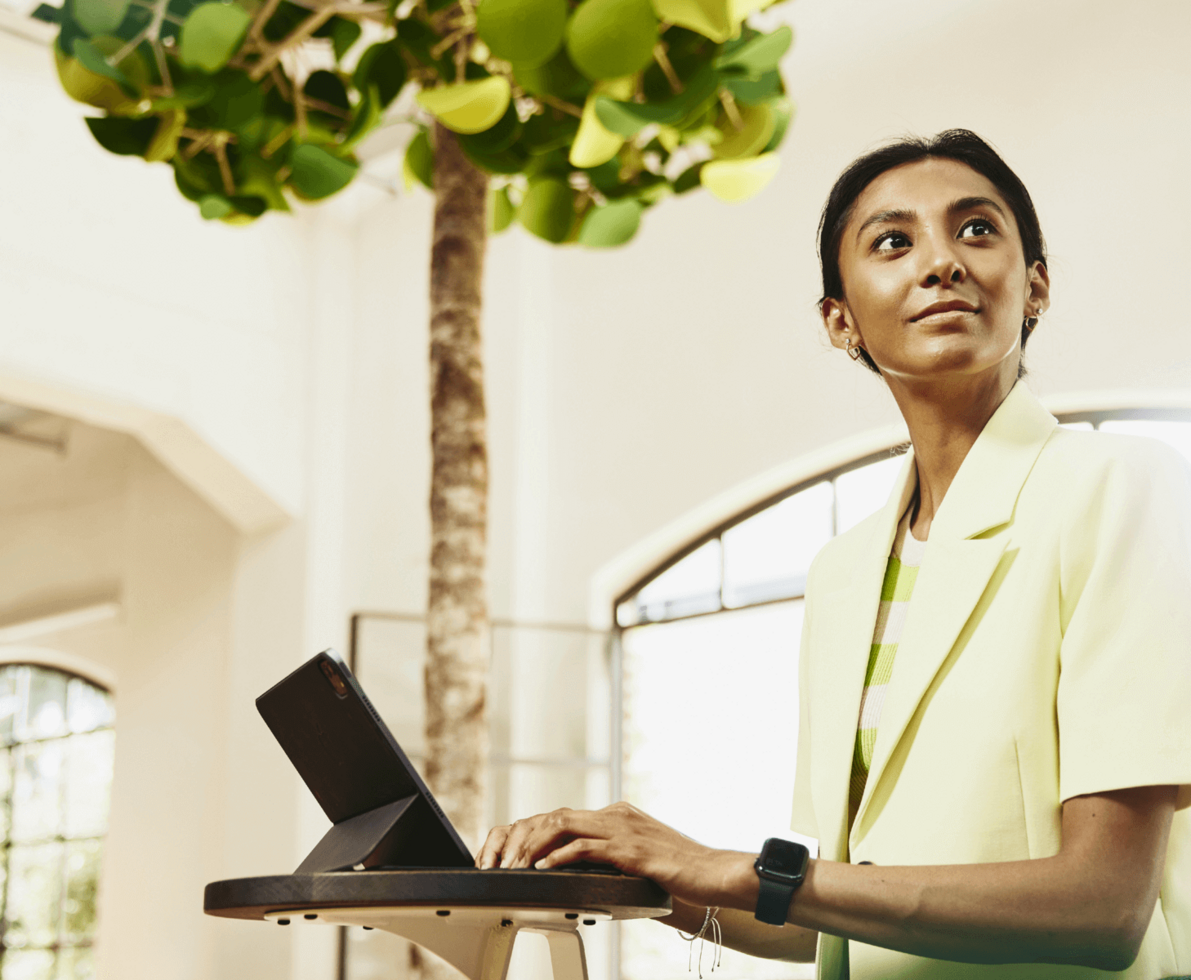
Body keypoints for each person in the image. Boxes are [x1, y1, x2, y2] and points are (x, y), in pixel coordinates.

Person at [476, 130, 1191, 979]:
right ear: (838, 320)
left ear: (1033, 285)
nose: (940, 264)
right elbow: (824, 925)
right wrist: (640, 877)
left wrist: (726, 866)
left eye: (976, 230)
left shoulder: (1121, 486)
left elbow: (1101, 907)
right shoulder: (845, 573)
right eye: (893, 242)